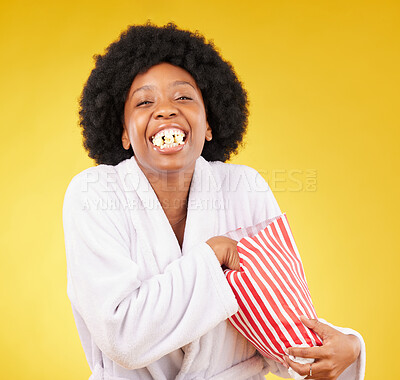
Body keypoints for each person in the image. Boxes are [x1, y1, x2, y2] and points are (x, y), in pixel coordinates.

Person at [63, 23, 366, 380]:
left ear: (209, 124)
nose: (165, 111)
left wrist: (344, 350)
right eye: (145, 102)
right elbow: (124, 336)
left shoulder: (244, 188)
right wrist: (214, 255)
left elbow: (278, 315)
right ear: (124, 133)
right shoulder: (93, 193)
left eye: (184, 97)